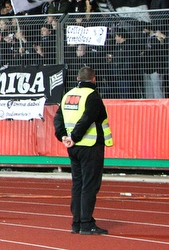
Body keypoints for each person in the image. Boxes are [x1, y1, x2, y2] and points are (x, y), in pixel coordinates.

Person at [54, 66, 113, 235]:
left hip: (73, 148)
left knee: (78, 184)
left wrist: (63, 136)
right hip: (90, 145)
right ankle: (86, 223)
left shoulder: (68, 95)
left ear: (77, 79)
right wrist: (75, 136)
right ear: (93, 79)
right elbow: (88, 118)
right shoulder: (92, 96)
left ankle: (77, 222)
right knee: (90, 185)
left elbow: (58, 119)